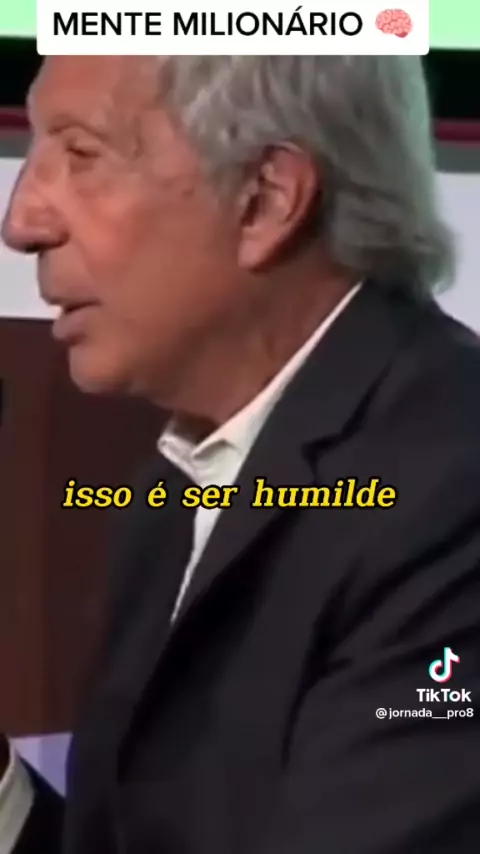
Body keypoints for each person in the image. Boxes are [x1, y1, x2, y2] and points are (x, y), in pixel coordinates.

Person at [1, 54, 479, 854]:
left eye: (80, 153)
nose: (22, 223)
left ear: (267, 198)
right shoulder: (180, 485)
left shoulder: (453, 494)